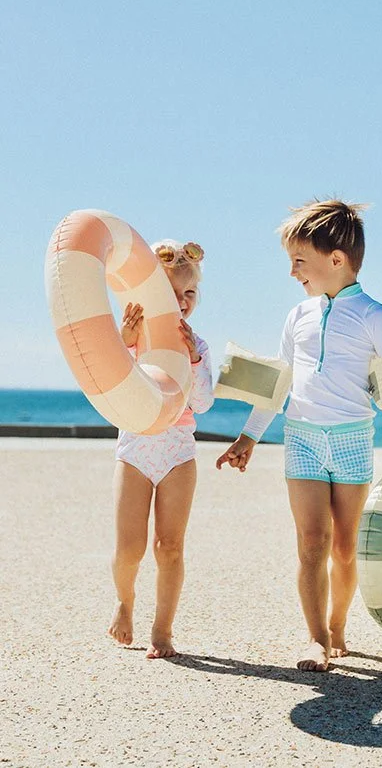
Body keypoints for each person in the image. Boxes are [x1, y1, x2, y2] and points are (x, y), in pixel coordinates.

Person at [216, 199, 382, 672]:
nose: (293, 273)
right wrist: (249, 436)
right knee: (311, 541)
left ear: (336, 259)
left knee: (344, 547)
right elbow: (280, 382)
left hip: (353, 439)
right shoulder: (297, 317)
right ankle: (315, 639)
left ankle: (336, 626)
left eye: (299, 261)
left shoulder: (375, 316)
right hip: (303, 438)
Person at [108, 239, 213, 658]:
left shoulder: (198, 344)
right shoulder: (131, 337)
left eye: (190, 294)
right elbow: (116, 389)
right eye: (172, 293)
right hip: (135, 450)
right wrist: (124, 342)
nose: (182, 302)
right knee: (129, 548)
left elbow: (202, 403)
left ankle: (163, 631)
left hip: (177, 453)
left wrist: (193, 360)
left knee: (169, 546)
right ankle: (124, 601)